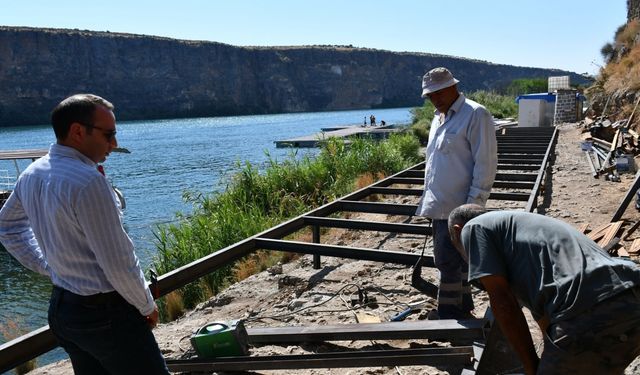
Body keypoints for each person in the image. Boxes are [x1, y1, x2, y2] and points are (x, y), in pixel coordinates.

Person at [0, 94, 169, 374]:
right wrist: (146, 305)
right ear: (78, 131)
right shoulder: (89, 182)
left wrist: (48, 265)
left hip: (63, 311)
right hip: (106, 315)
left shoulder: (31, 173)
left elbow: (7, 226)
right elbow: (118, 262)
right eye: (109, 134)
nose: (114, 144)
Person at [448, 204, 640, 374]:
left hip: (590, 309)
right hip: (632, 296)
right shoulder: (519, 231)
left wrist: (531, 367)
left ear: (457, 232)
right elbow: (544, 320)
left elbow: (504, 303)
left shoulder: (473, 228)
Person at [415, 67, 497, 319]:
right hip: (438, 205)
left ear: (453, 87)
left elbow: (486, 163)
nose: (435, 99)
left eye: (439, 93)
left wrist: (473, 206)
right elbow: (435, 164)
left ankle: (450, 315)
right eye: (430, 96)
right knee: (456, 260)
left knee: (447, 262)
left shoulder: (475, 114)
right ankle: (462, 308)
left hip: (460, 207)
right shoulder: (437, 119)